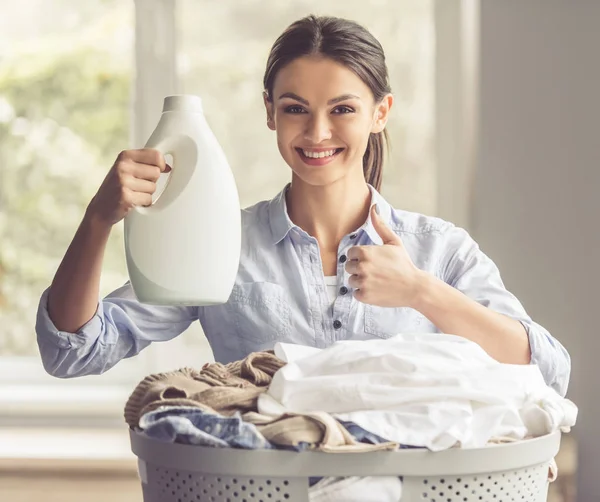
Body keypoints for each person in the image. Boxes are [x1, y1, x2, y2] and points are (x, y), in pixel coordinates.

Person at [36, 15, 570, 396]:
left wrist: (420, 292)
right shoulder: (222, 246)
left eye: (343, 109)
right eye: (296, 109)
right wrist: (98, 219)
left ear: (380, 112)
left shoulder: (440, 250)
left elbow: (547, 370)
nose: (318, 132)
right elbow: (72, 351)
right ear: (270, 112)